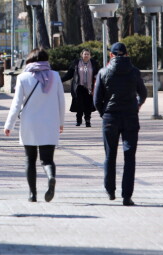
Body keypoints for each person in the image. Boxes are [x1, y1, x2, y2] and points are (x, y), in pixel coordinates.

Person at [4, 48, 65, 203]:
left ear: (30, 60)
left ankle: (32, 194)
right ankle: (51, 177)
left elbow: (16, 104)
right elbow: (61, 102)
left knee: (30, 159)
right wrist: (61, 122)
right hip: (50, 122)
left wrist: (9, 124)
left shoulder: (23, 77)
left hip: (29, 123)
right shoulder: (55, 76)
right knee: (47, 159)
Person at [93, 42, 147, 207]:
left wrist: (105, 113)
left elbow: (96, 100)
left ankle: (110, 190)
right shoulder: (134, 72)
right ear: (126, 54)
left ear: (111, 55)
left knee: (110, 155)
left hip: (110, 118)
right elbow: (143, 93)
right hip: (130, 117)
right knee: (129, 157)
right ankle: (127, 196)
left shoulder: (103, 72)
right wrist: (136, 105)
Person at [61, 48, 99, 127]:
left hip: (89, 87)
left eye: (88, 54)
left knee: (88, 105)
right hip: (78, 87)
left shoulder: (93, 63)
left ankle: (88, 121)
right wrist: (60, 80)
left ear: (90, 55)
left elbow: (98, 74)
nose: (86, 55)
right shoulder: (76, 63)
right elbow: (69, 74)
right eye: (85, 54)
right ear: (81, 55)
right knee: (79, 105)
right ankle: (78, 120)